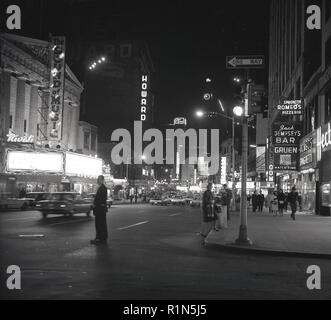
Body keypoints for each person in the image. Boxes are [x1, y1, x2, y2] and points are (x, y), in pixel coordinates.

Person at [91, 175, 108, 245]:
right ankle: (102, 238)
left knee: (99, 224)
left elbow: (100, 199)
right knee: (102, 224)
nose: (97, 180)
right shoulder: (102, 187)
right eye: (98, 179)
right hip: (100, 209)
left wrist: (95, 204)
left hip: (99, 209)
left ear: (102, 180)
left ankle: (99, 238)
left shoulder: (102, 188)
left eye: (99, 179)